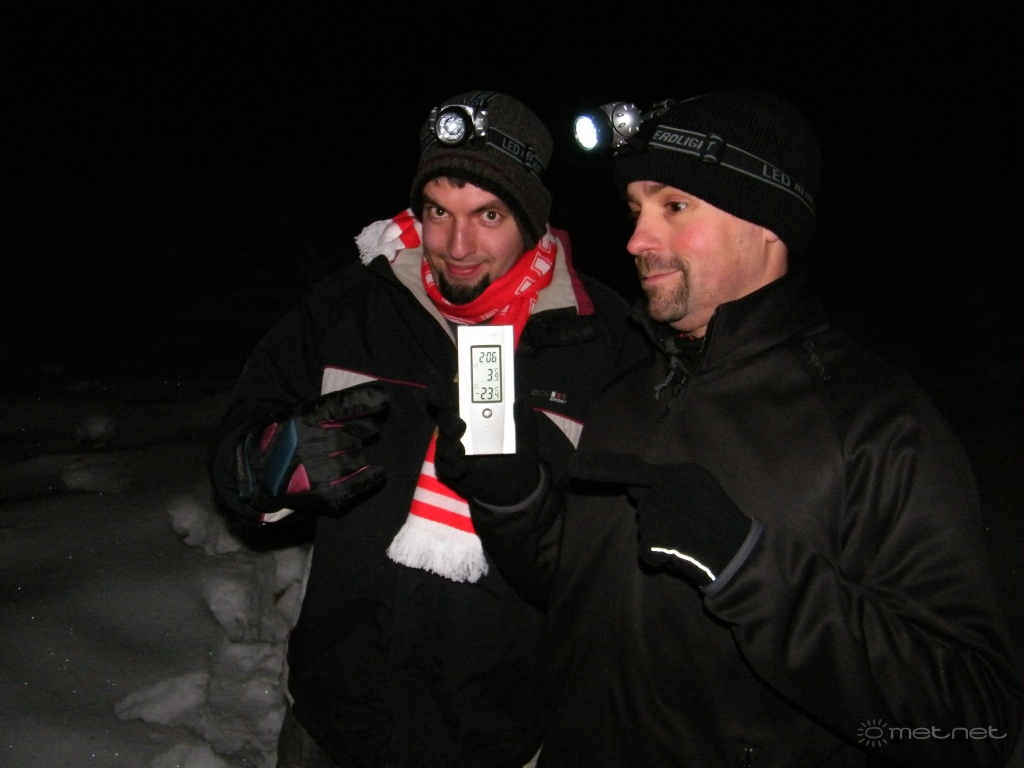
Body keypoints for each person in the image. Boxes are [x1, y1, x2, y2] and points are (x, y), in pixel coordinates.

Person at [435, 88, 1024, 766]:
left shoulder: (876, 425)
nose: (637, 240)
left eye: (674, 207)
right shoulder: (626, 399)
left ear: (766, 223)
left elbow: (974, 723)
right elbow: (580, 596)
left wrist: (749, 570)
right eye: (635, 211)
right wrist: (513, 495)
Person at [207, 90, 644, 767]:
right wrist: (263, 462)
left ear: (533, 218)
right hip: (331, 724)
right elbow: (236, 446)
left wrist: (524, 497)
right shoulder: (350, 306)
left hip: (501, 738)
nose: (457, 247)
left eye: (488, 215)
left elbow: (620, 571)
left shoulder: (605, 342)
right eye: (438, 211)